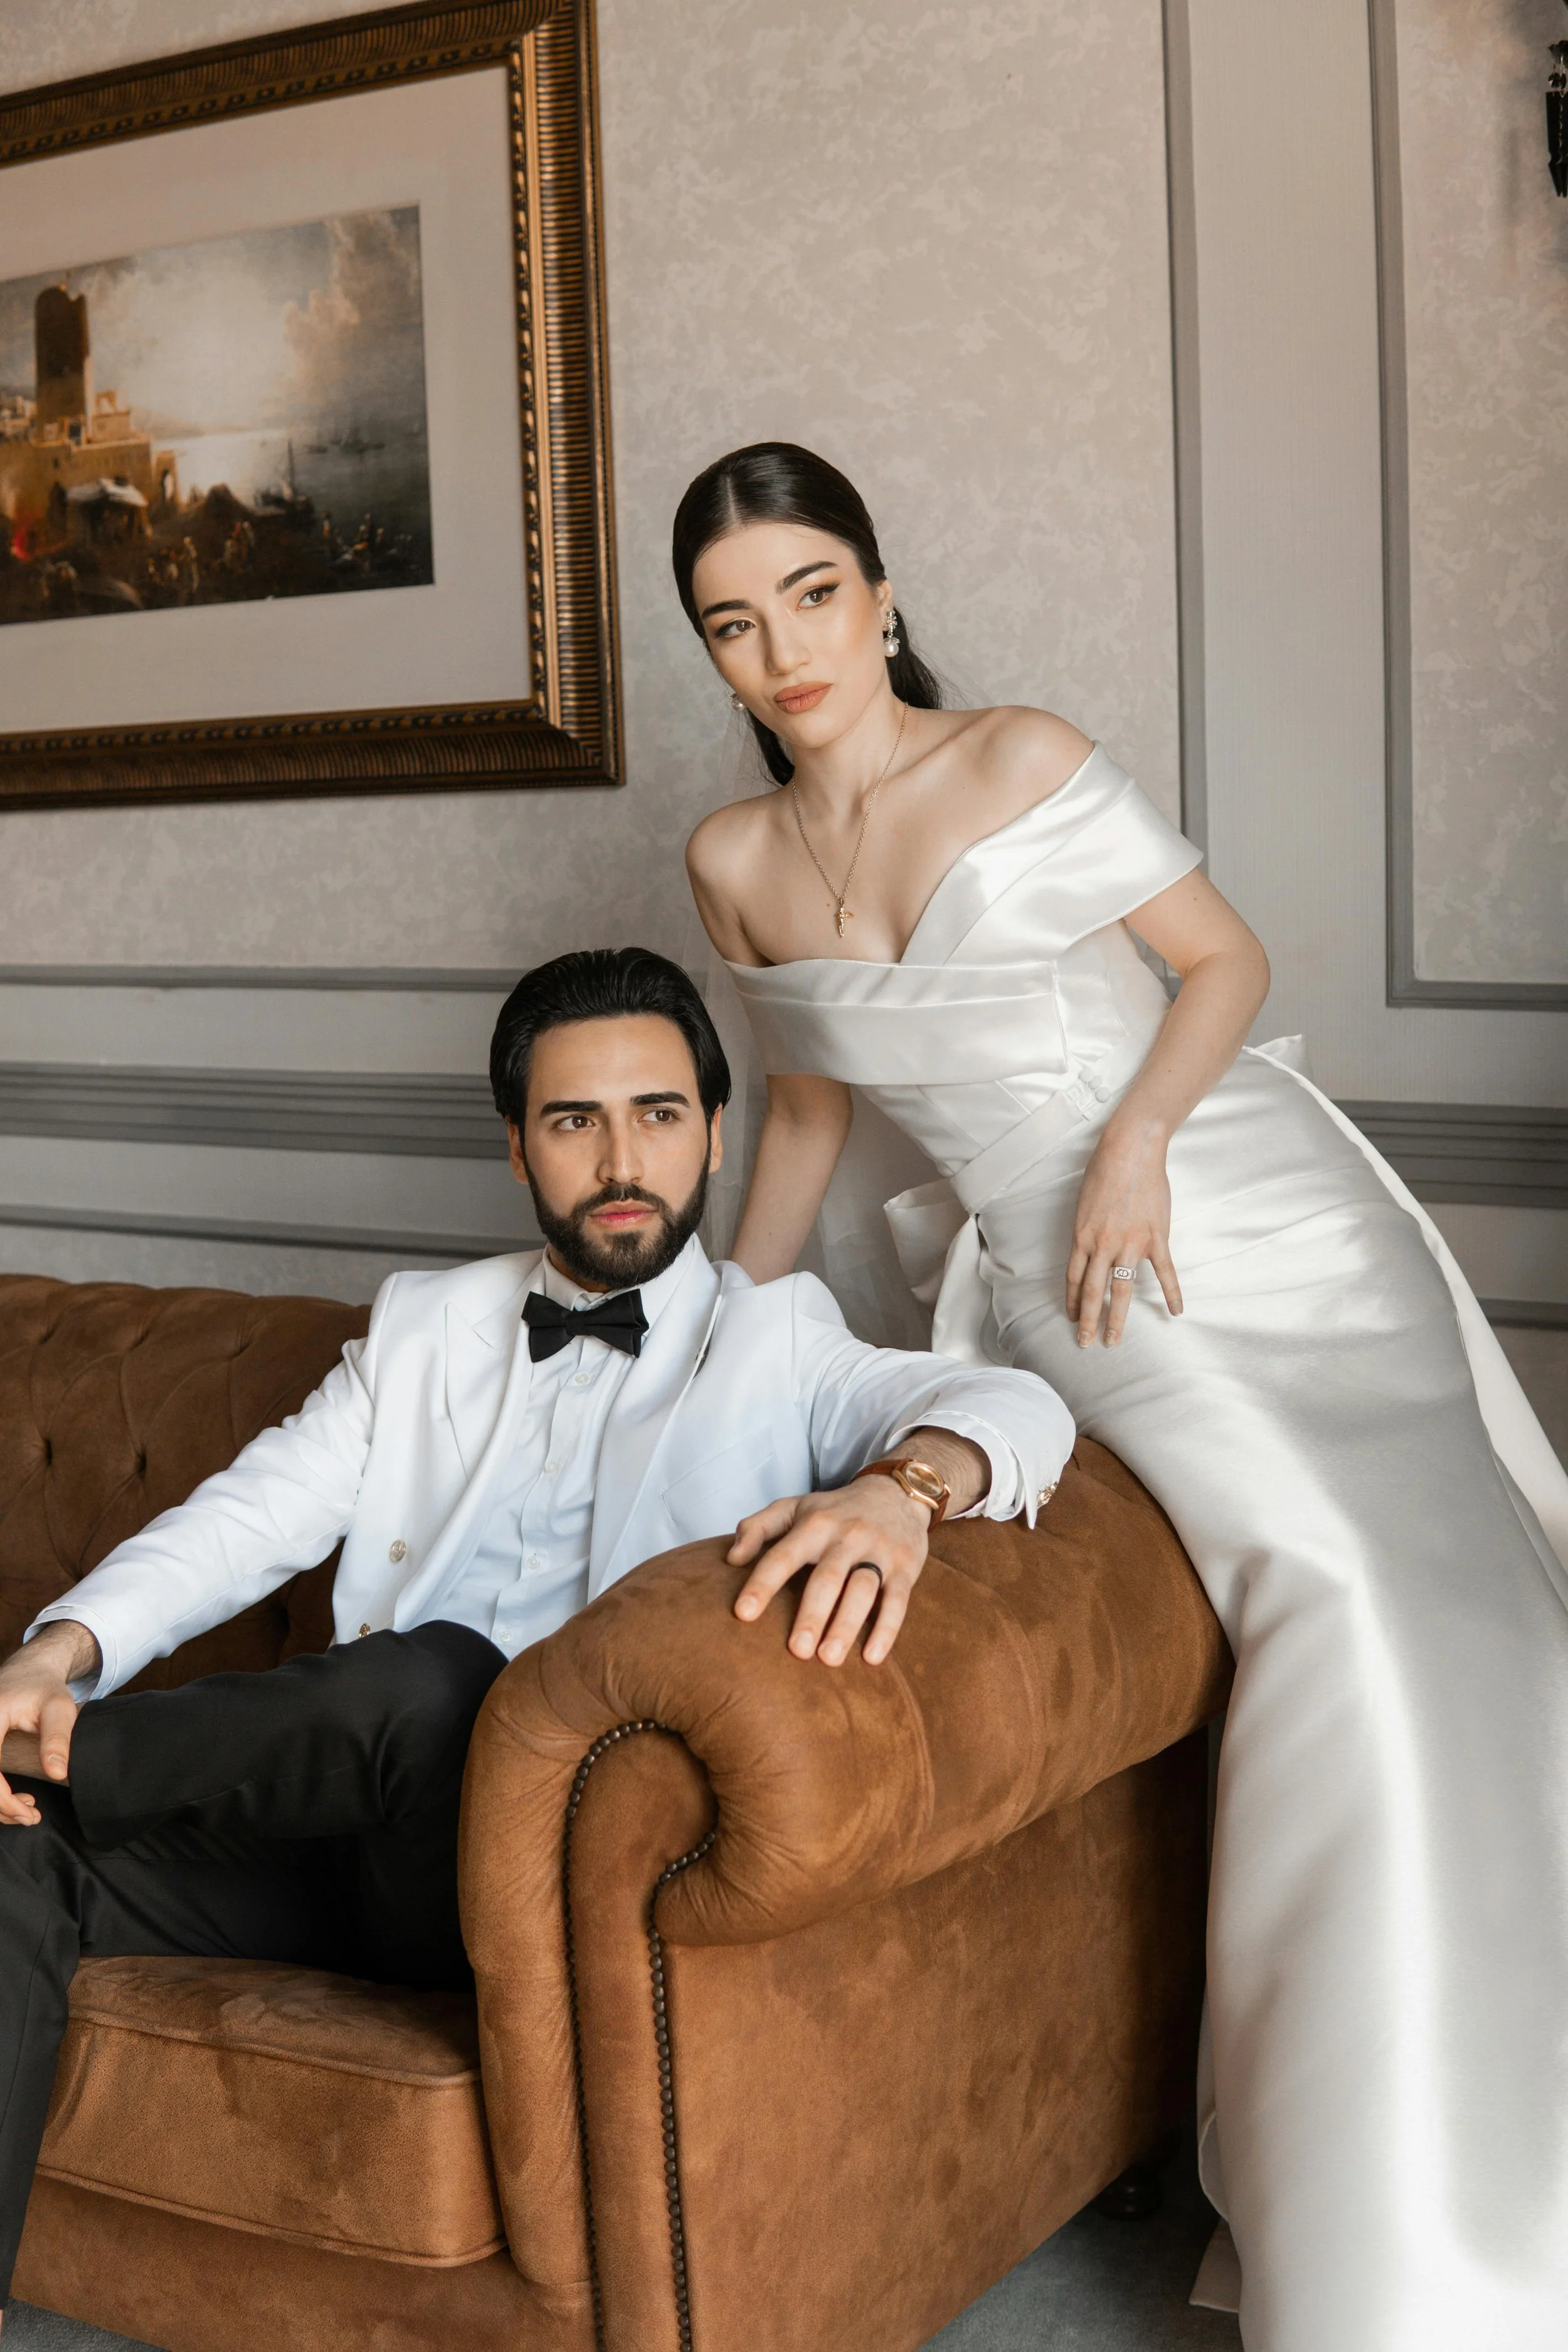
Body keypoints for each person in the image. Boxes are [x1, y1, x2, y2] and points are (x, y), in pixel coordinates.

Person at [677, 442, 1568, 2352]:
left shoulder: (1010, 757)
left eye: (814, 592)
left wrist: (1140, 1139)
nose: (787, 645)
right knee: (1330, 1589)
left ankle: (1468, 2172)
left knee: (1413, 1587)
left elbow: (1222, 961)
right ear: (717, 657)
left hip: (1222, 1198)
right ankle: (1394, 2190)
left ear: (880, 593)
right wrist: (714, 1336)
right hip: (1065, 1274)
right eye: (736, 623)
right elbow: (813, 1114)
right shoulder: (731, 864)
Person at [0, 946, 1069, 2326]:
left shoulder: (778, 1342)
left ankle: (68, 1758)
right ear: (517, 1147)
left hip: (537, 1874)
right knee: (15, 1861)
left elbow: (1021, 1409)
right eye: (574, 1120)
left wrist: (900, 1489)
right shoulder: (422, 1330)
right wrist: (57, 1652)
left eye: (658, 1114)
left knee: (453, 1680)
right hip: (341, 1849)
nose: (621, 1157)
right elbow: (247, 1517)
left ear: (714, 1133)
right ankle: (48, 1758)